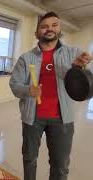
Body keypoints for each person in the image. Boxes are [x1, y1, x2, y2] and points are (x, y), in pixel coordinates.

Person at [9, 12, 93, 180]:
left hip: (62, 119)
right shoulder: (26, 59)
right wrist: (28, 90)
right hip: (32, 118)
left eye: (54, 25)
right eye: (44, 26)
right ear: (37, 33)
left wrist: (78, 68)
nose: (49, 29)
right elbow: (14, 85)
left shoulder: (73, 53)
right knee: (29, 159)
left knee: (60, 165)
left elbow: (85, 85)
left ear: (59, 29)